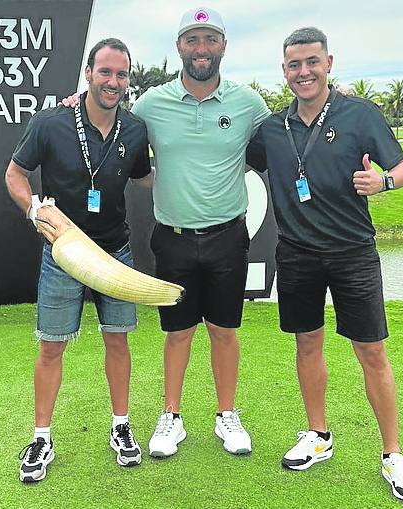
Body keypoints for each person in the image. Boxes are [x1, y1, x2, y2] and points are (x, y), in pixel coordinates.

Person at [246, 27, 403, 501]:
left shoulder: (359, 112)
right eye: (294, 65)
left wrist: (383, 182)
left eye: (312, 62)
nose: (304, 72)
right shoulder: (271, 128)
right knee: (308, 345)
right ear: (284, 72)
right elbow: (233, 149)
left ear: (329, 63)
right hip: (298, 254)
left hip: (353, 253)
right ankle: (318, 435)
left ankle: (392, 455)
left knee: (372, 352)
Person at [5, 38, 152, 483]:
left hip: (114, 252)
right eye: (105, 72)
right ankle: (42, 437)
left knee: (118, 341)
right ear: (88, 74)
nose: (113, 82)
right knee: (51, 345)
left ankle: (121, 427)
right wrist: (33, 209)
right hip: (63, 252)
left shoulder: (135, 129)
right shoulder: (49, 123)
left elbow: (146, 181)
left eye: (121, 74)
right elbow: (14, 174)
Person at [131, 7, 271, 457]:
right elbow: (113, 132)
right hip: (171, 236)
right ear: (179, 48)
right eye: (192, 40)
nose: (201, 49)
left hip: (227, 236)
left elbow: (290, 136)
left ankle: (226, 415)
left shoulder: (248, 103)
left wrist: (334, 98)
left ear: (223, 46)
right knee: (178, 332)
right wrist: (78, 100)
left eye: (210, 39)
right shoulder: (151, 103)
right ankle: (171, 417)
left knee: (224, 329)